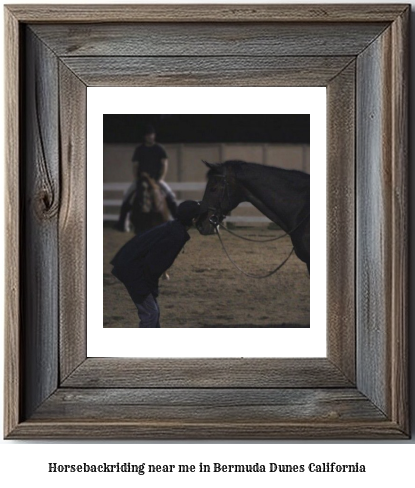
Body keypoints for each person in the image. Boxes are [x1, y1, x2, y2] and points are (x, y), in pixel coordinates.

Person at [111, 200, 208, 328]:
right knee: (151, 314)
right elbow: (153, 266)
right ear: (194, 220)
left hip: (127, 262)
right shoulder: (176, 236)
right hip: (131, 268)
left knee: (152, 311)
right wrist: (149, 290)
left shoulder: (173, 226)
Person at [115, 124, 178, 230]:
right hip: (142, 179)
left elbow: (164, 164)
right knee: (127, 196)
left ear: (154, 135)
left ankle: (177, 220)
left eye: (152, 134)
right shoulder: (139, 149)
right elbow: (135, 166)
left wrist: (161, 178)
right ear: (145, 137)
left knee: (171, 195)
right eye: (148, 135)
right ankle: (122, 223)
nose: (150, 137)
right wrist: (136, 179)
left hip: (156, 179)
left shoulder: (159, 149)